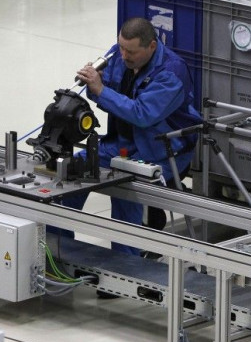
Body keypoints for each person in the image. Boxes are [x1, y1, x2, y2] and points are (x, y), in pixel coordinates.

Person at [62, 17, 202, 256]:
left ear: (152, 46)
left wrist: (102, 91)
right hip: (122, 143)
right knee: (71, 175)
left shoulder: (172, 73)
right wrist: (94, 84)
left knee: (126, 191)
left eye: (131, 52)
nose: (123, 56)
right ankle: (59, 252)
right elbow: (101, 93)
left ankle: (126, 265)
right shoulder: (118, 53)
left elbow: (142, 114)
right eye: (121, 47)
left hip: (160, 151)